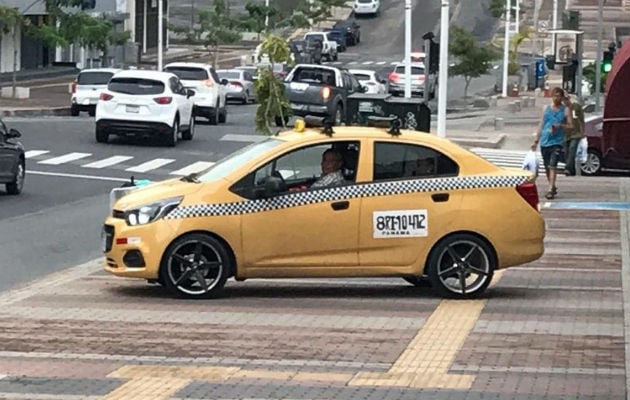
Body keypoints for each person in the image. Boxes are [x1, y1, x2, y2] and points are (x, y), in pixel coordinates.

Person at [533, 87, 573, 200]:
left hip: (557, 141)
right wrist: (536, 140)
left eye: (559, 96)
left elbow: (571, 126)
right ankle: (552, 185)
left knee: (552, 164)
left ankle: (550, 189)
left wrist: (560, 126)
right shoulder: (546, 108)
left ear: (561, 97)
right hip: (545, 141)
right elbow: (541, 124)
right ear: (552, 96)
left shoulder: (565, 110)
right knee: (547, 166)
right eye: (555, 95)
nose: (557, 98)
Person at [562, 94, 585, 176]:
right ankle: (572, 171)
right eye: (563, 100)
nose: (565, 101)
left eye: (566, 99)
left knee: (572, 148)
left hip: (576, 133)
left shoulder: (576, 107)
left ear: (569, 99)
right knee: (566, 152)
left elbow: (582, 119)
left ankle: (567, 168)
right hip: (565, 134)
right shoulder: (562, 109)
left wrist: (583, 132)